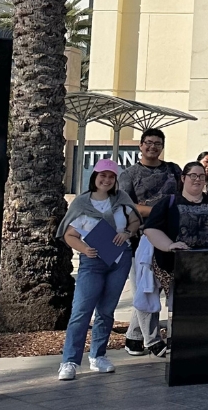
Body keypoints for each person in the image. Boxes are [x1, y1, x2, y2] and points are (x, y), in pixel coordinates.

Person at [56, 159, 140, 380]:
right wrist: (84, 248)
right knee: (81, 311)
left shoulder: (121, 200)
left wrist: (127, 233)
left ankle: (98, 356)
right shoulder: (81, 203)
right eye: (102, 175)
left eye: (111, 177)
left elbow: (134, 222)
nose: (106, 180)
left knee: (106, 310)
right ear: (94, 177)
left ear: (115, 180)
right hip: (92, 262)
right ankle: (70, 361)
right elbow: (69, 234)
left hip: (119, 260)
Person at [143, 161, 208, 336]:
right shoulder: (168, 202)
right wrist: (170, 246)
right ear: (183, 178)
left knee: (207, 311)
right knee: (179, 312)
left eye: (201, 176)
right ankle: (177, 344)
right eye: (193, 175)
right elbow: (151, 229)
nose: (197, 179)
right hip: (176, 270)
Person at [117, 128, 180, 358]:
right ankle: (152, 340)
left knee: (155, 288)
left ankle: (134, 338)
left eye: (157, 143)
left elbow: (181, 201)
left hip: (169, 238)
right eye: (148, 143)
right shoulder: (129, 174)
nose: (152, 147)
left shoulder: (173, 170)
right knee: (145, 288)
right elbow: (127, 206)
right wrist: (160, 211)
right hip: (139, 239)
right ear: (140, 146)